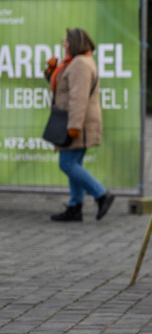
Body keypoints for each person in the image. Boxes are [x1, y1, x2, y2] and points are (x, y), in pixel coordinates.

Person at [44, 28, 116, 222]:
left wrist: (74, 126)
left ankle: (101, 194)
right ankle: (75, 207)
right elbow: (63, 88)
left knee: (67, 164)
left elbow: (78, 98)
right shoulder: (74, 62)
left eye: (66, 41)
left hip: (78, 123)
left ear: (74, 43)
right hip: (73, 121)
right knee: (73, 164)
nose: (63, 44)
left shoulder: (80, 64)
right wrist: (51, 71)